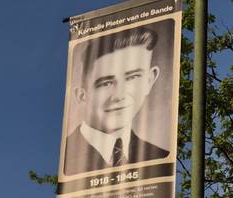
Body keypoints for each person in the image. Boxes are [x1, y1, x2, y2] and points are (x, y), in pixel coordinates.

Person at [63, 25, 171, 176]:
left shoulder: (161, 159)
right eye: (106, 83)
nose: (119, 95)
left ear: (149, 80)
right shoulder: (63, 158)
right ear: (82, 95)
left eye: (132, 77)